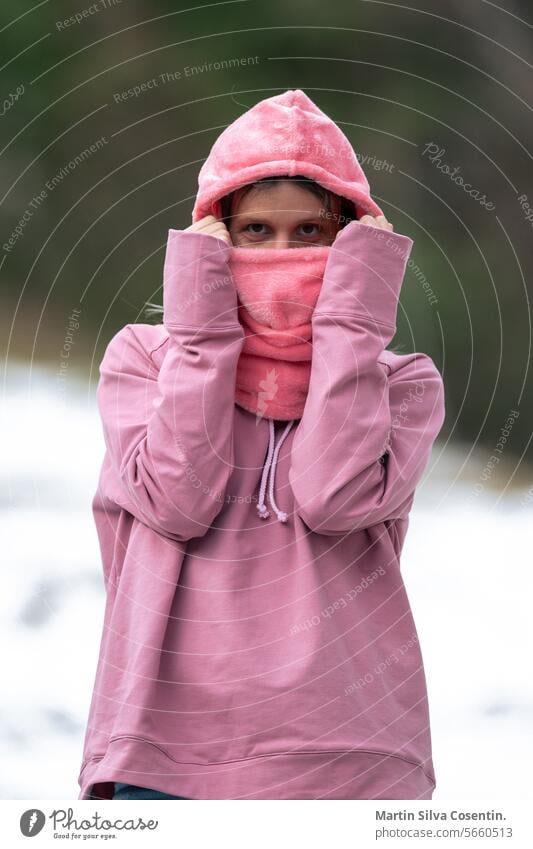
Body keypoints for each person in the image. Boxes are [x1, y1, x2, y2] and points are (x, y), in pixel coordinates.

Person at [78, 89, 445, 801]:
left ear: (350, 242)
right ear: (215, 236)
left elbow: (332, 495)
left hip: (346, 755)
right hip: (165, 752)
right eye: (255, 231)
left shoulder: (402, 384)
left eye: (310, 232)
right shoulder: (146, 360)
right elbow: (175, 497)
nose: (282, 255)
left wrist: (353, 321)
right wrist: (204, 329)